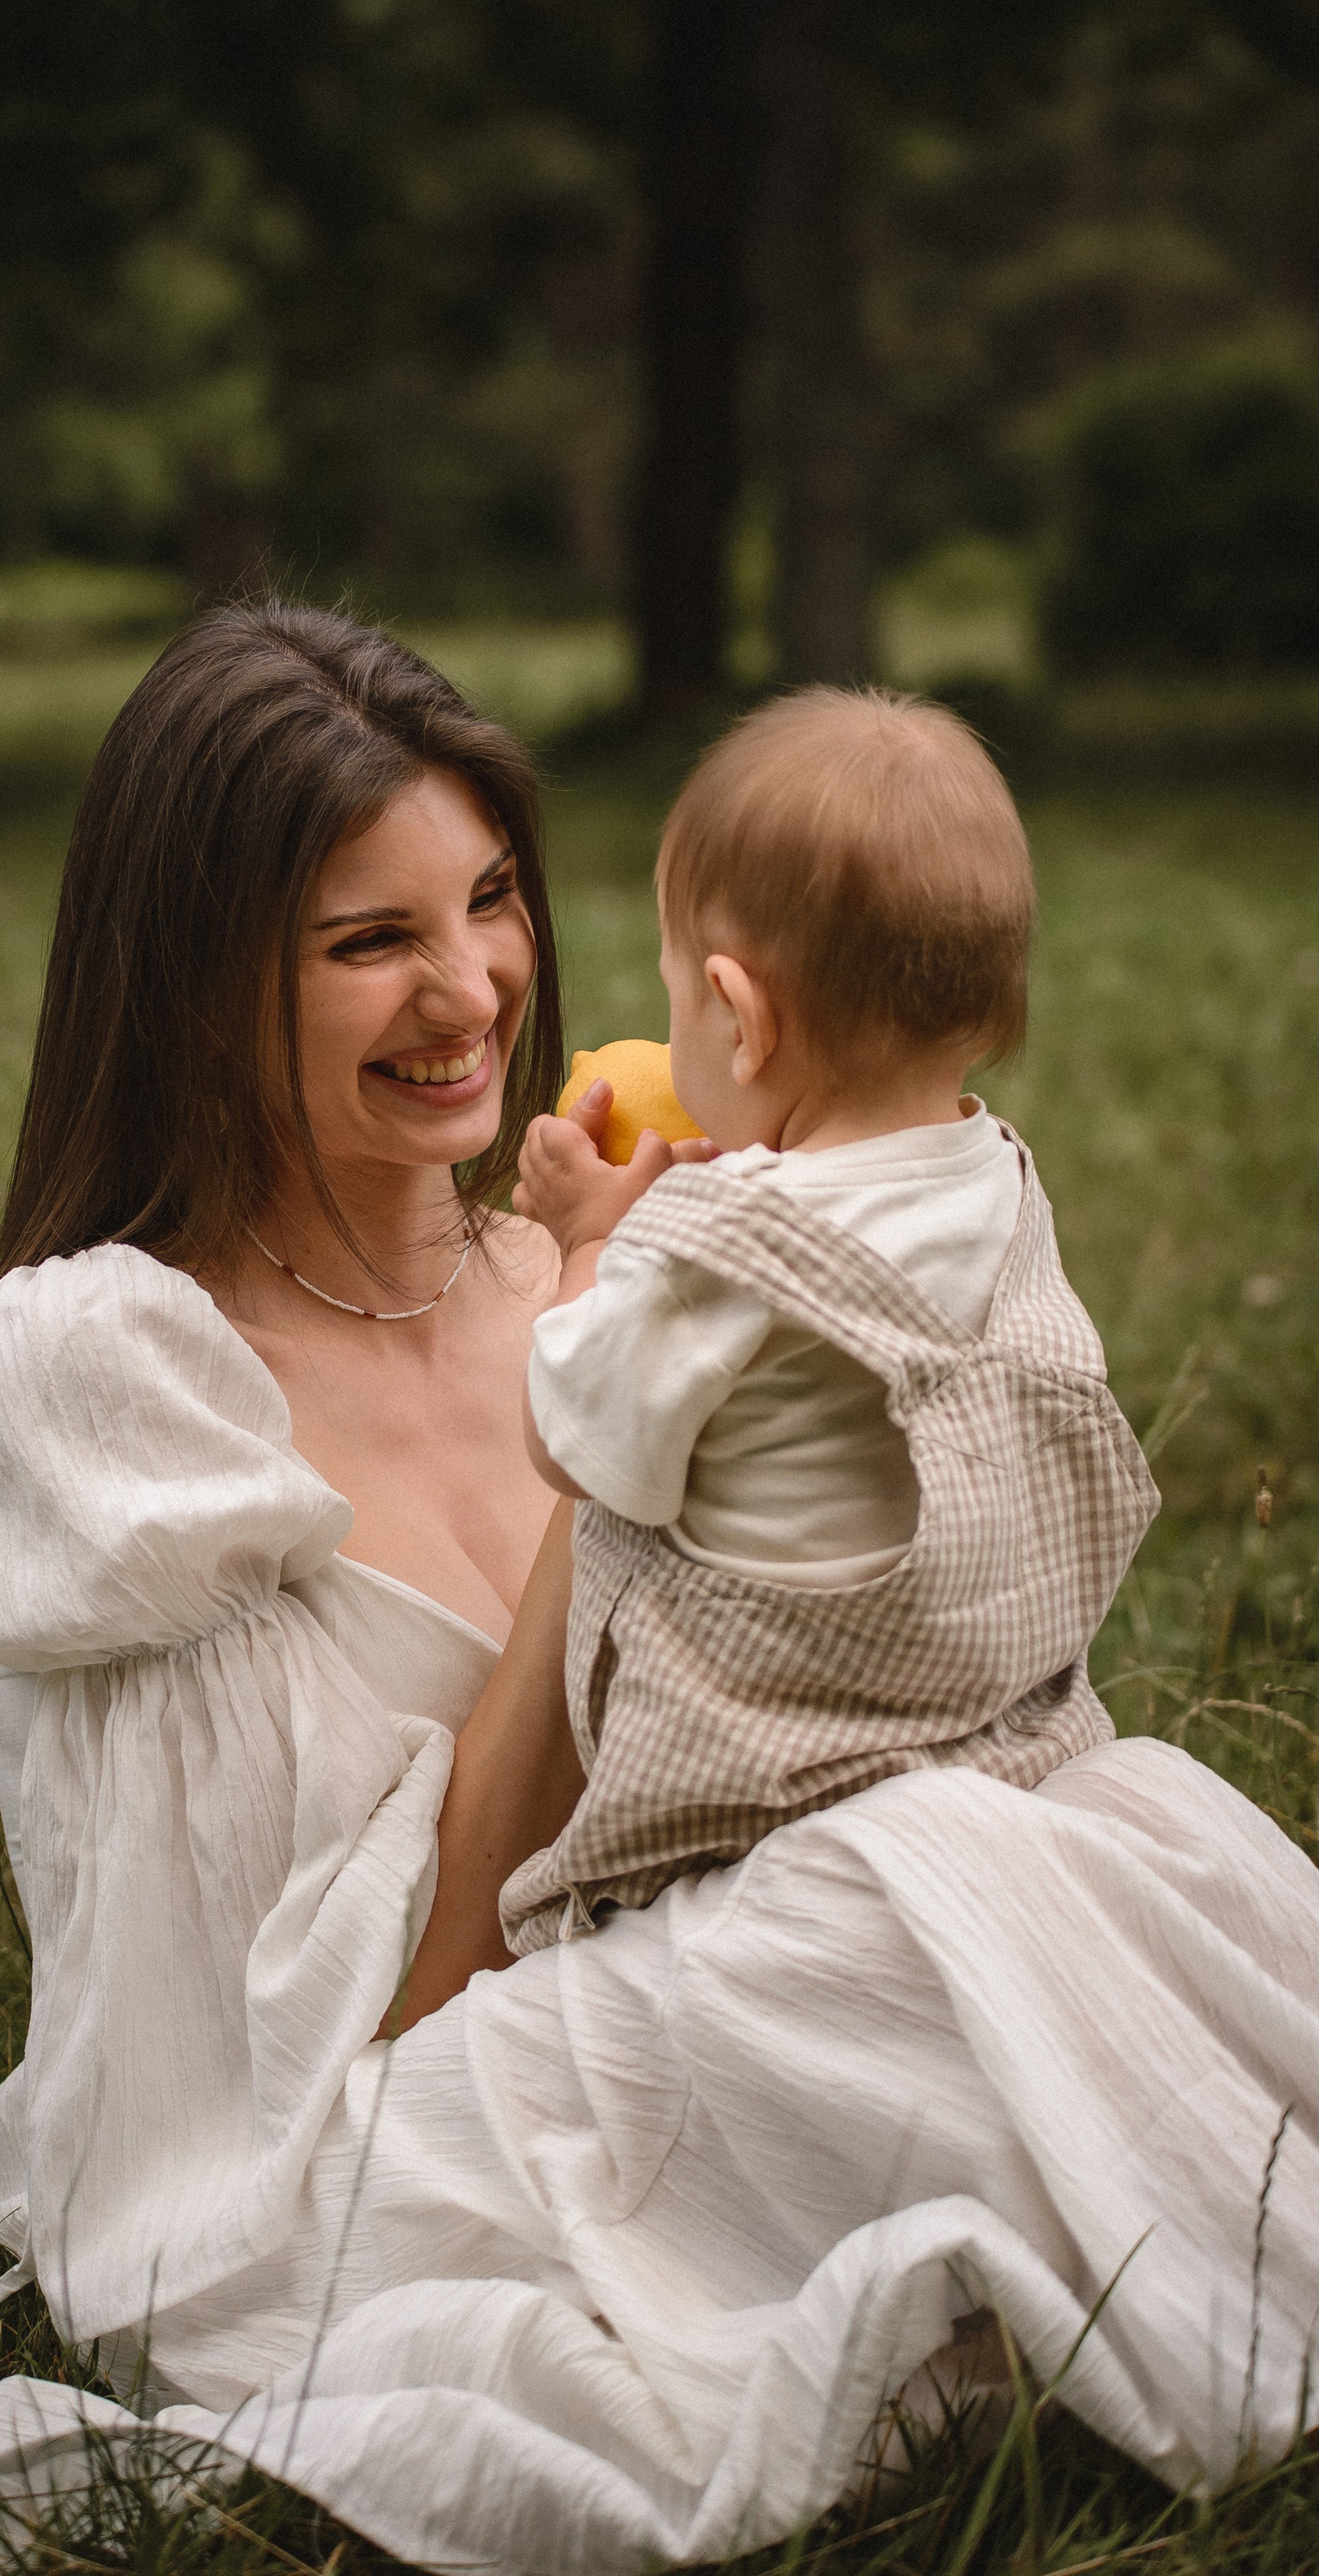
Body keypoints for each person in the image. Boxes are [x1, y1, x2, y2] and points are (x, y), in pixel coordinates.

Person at [0, 603, 1319, 2575]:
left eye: (489, 896)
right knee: (928, 1877)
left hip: (733, 1974)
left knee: (1131, 1820)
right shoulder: (108, 1384)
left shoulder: (627, 1273)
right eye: (369, 940)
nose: (475, 986)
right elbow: (338, 2036)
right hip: (370, 2142)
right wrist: (621, 1482)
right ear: (189, 989)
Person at [500, 688, 1158, 1952]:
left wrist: (594, 1243)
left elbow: (567, 1439)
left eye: (675, 993)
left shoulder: (709, 1248)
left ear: (741, 1021)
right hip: (988, 1770)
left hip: (769, 1834)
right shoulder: (999, 1184)